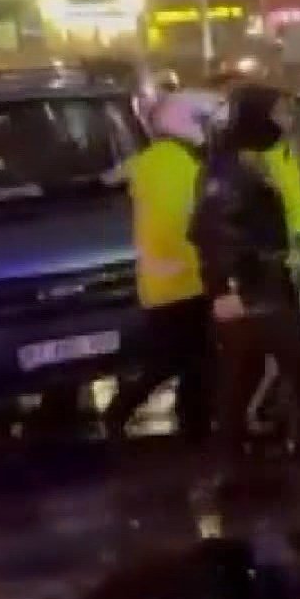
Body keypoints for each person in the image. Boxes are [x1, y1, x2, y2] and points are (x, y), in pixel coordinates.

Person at [189, 84, 300, 464]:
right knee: (291, 364)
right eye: (278, 111)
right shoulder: (228, 170)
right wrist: (225, 288)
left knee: (249, 368)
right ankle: (292, 446)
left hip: (264, 280)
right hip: (250, 286)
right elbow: (211, 233)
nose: (285, 119)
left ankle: (239, 448)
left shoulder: (250, 162)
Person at [106, 90, 221, 442]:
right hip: (187, 280)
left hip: (164, 284)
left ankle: (192, 423)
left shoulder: (148, 162)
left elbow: (113, 181)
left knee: (189, 360)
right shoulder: (186, 166)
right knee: (181, 360)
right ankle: (127, 412)